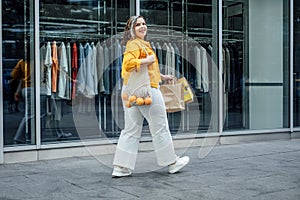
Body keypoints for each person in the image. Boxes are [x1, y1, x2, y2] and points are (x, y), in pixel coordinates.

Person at [112, 15, 189, 177]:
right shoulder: (134, 44)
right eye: (138, 25)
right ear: (131, 30)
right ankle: (172, 162)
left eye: (144, 24)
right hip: (147, 91)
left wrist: (162, 76)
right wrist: (146, 60)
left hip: (132, 91)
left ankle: (121, 167)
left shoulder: (139, 44)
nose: (142, 27)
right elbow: (128, 65)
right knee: (160, 127)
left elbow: (144, 71)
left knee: (130, 130)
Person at [11, 48, 72, 144]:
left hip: (30, 90)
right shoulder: (42, 60)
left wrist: (18, 91)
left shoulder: (22, 62)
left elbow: (15, 76)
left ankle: (58, 133)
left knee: (52, 111)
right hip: (38, 89)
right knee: (33, 114)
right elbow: (59, 70)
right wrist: (71, 79)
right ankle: (19, 137)